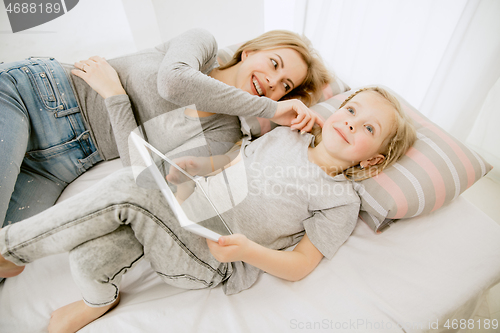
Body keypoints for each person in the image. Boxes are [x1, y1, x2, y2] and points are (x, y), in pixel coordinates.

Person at [0, 86, 417, 333]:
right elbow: (237, 162)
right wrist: (200, 167)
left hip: (210, 257)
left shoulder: (340, 200)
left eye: (368, 129)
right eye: (350, 110)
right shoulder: (287, 138)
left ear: (372, 161)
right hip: (183, 210)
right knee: (90, 252)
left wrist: (246, 252)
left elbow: (301, 265)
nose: (350, 122)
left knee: (130, 188)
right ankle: (98, 301)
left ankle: (9, 250)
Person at [0, 28, 330, 226]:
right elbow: (173, 83)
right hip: (38, 97)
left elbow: (143, 177)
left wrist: (115, 96)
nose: (273, 82)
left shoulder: (225, 136)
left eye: (285, 87)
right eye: (274, 64)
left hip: (63, 165)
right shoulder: (203, 46)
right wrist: (272, 107)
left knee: (8, 257)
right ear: (249, 51)